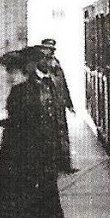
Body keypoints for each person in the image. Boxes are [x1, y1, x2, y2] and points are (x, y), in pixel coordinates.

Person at [0, 50, 69, 218]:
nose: (8, 76)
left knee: (20, 188)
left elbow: (19, 120)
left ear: (23, 72)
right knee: (30, 189)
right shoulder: (31, 88)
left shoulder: (22, 92)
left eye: (12, 72)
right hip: (29, 146)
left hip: (23, 147)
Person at [36, 38, 77, 174]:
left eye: (51, 49)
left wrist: (69, 103)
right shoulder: (40, 65)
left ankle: (65, 165)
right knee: (50, 136)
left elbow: (63, 84)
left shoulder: (56, 63)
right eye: (46, 49)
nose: (49, 51)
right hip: (48, 105)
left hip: (58, 105)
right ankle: (52, 166)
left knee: (62, 135)